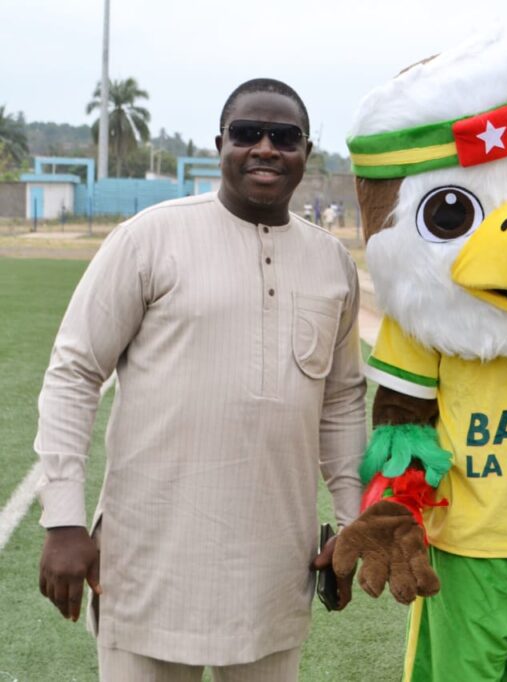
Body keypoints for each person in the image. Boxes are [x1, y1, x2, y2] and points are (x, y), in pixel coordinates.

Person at [35, 78, 367, 681]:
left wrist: (352, 524)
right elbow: (74, 372)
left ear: (305, 153)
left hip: (274, 567)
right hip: (147, 562)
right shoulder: (150, 238)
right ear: (221, 144)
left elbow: (341, 403)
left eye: (284, 137)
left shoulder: (332, 264)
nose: (265, 147)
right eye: (248, 134)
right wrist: (63, 520)